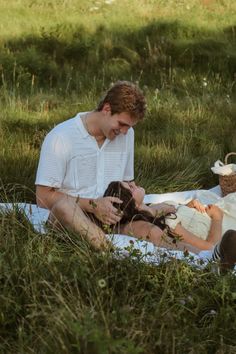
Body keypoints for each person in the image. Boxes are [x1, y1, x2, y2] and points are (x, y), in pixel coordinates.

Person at [35, 81, 153, 249]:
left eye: (129, 126)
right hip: (72, 217)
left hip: (112, 219)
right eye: (122, 124)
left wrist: (136, 200)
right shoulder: (60, 137)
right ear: (106, 109)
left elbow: (127, 183)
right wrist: (93, 205)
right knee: (65, 207)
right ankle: (107, 251)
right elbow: (42, 197)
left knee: (153, 230)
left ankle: (203, 255)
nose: (125, 132)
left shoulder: (127, 135)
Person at [102, 181, 236, 269]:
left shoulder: (152, 208)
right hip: (217, 228)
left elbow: (168, 210)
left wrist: (186, 207)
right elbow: (208, 246)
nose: (133, 182)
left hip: (205, 214)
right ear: (131, 203)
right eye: (130, 187)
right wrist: (217, 217)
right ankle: (216, 263)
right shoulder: (165, 224)